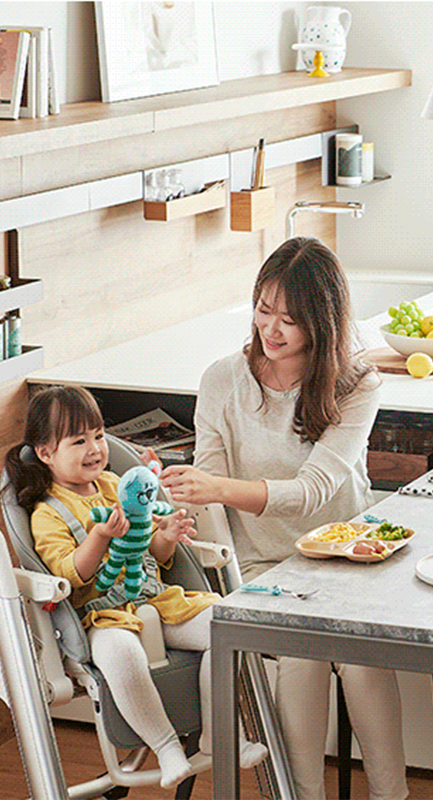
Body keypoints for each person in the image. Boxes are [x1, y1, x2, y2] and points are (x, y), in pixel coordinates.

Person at [161, 237, 408, 800]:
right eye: (263, 310)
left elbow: (314, 491)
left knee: (362, 656)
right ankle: (302, 796)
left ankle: (392, 795)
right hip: (265, 565)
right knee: (302, 652)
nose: (271, 330)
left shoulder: (357, 383)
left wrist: (217, 487)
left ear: (321, 324)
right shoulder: (222, 379)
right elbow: (207, 502)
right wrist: (219, 567)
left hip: (347, 556)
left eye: (289, 320)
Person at [4, 385, 267, 790]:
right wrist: (99, 537)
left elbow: (153, 555)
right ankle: (165, 746)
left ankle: (218, 734)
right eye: (79, 441)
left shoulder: (117, 485)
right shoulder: (47, 512)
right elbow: (71, 574)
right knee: (119, 656)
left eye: (97, 435)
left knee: (228, 626)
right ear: (45, 453)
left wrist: (168, 535)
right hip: (103, 615)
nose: (94, 448)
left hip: (159, 601)